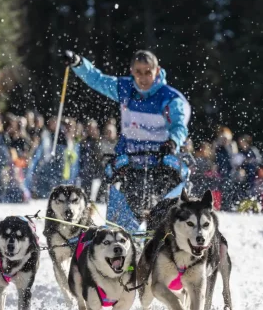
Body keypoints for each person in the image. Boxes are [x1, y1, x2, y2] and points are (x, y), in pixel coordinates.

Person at [63, 49, 190, 215]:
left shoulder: (170, 98)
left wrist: (173, 141)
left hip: (161, 162)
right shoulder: (124, 88)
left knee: (163, 214)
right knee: (129, 215)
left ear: (157, 71)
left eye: (148, 73)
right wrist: (78, 63)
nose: (143, 78)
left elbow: (180, 125)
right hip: (132, 162)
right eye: (138, 72)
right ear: (132, 71)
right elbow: (97, 79)